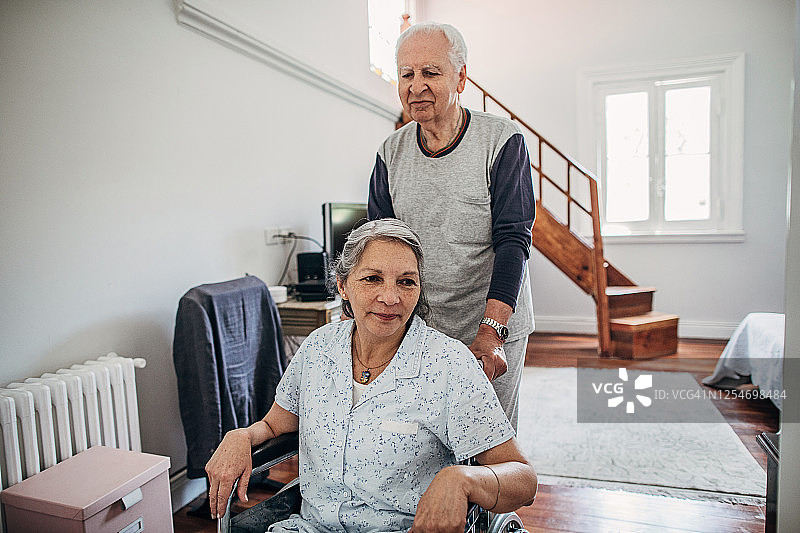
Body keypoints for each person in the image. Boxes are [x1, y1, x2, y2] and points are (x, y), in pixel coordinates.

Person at [205, 218, 537, 533]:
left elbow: (523, 480)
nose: (390, 298)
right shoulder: (318, 349)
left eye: (406, 282)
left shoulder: (448, 364)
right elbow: (276, 425)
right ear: (342, 285)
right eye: (372, 279)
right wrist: (242, 436)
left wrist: (462, 479)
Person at [368, 22, 536, 430]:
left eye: (430, 72)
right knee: (425, 441)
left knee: (488, 446)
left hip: (491, 324)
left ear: (460, 77)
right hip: (421, 328)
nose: (415, 86)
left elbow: (513, 240)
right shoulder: (390, 152)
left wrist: (492, 329)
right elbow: (379, 246)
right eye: (406, 74)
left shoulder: (502, 140)